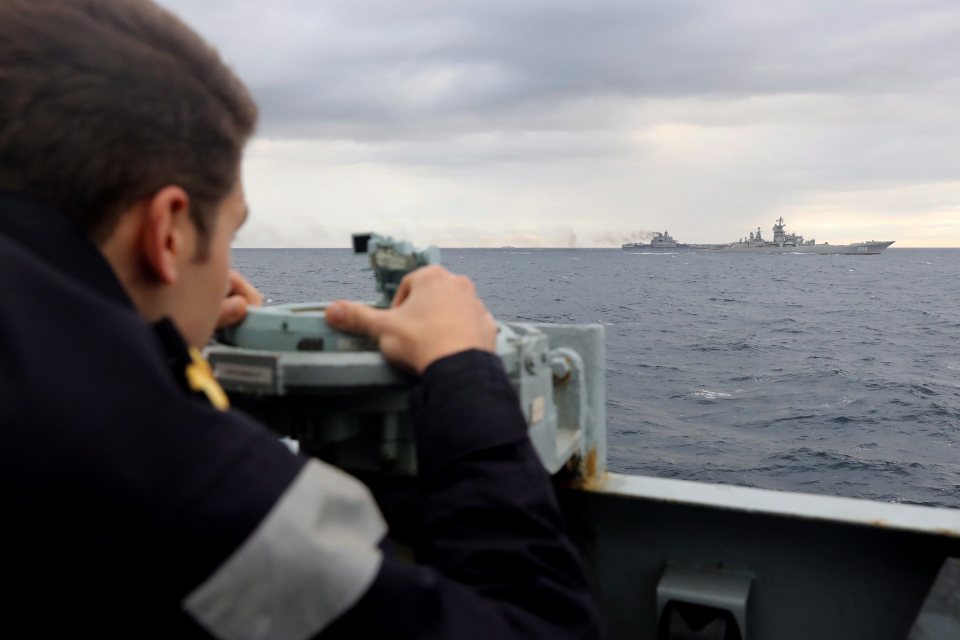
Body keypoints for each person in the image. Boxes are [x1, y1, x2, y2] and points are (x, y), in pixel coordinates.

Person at [0, 1, 602, 638]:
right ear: (168, 233)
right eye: (231, 229)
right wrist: (463, 374)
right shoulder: (162, 479)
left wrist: (165, 356)